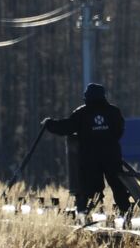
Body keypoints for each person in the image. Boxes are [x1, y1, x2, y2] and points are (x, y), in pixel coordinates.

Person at [43, 83, 133, 215]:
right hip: (111, 157)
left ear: (87, 97)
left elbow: (67, 127)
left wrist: (49, 124)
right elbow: (119, 130)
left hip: (90, 159)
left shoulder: (82, 113)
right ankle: (126, 213)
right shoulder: (114, 111)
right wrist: (108, 140)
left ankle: (92, 214)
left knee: (91, 189)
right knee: (118, 186)